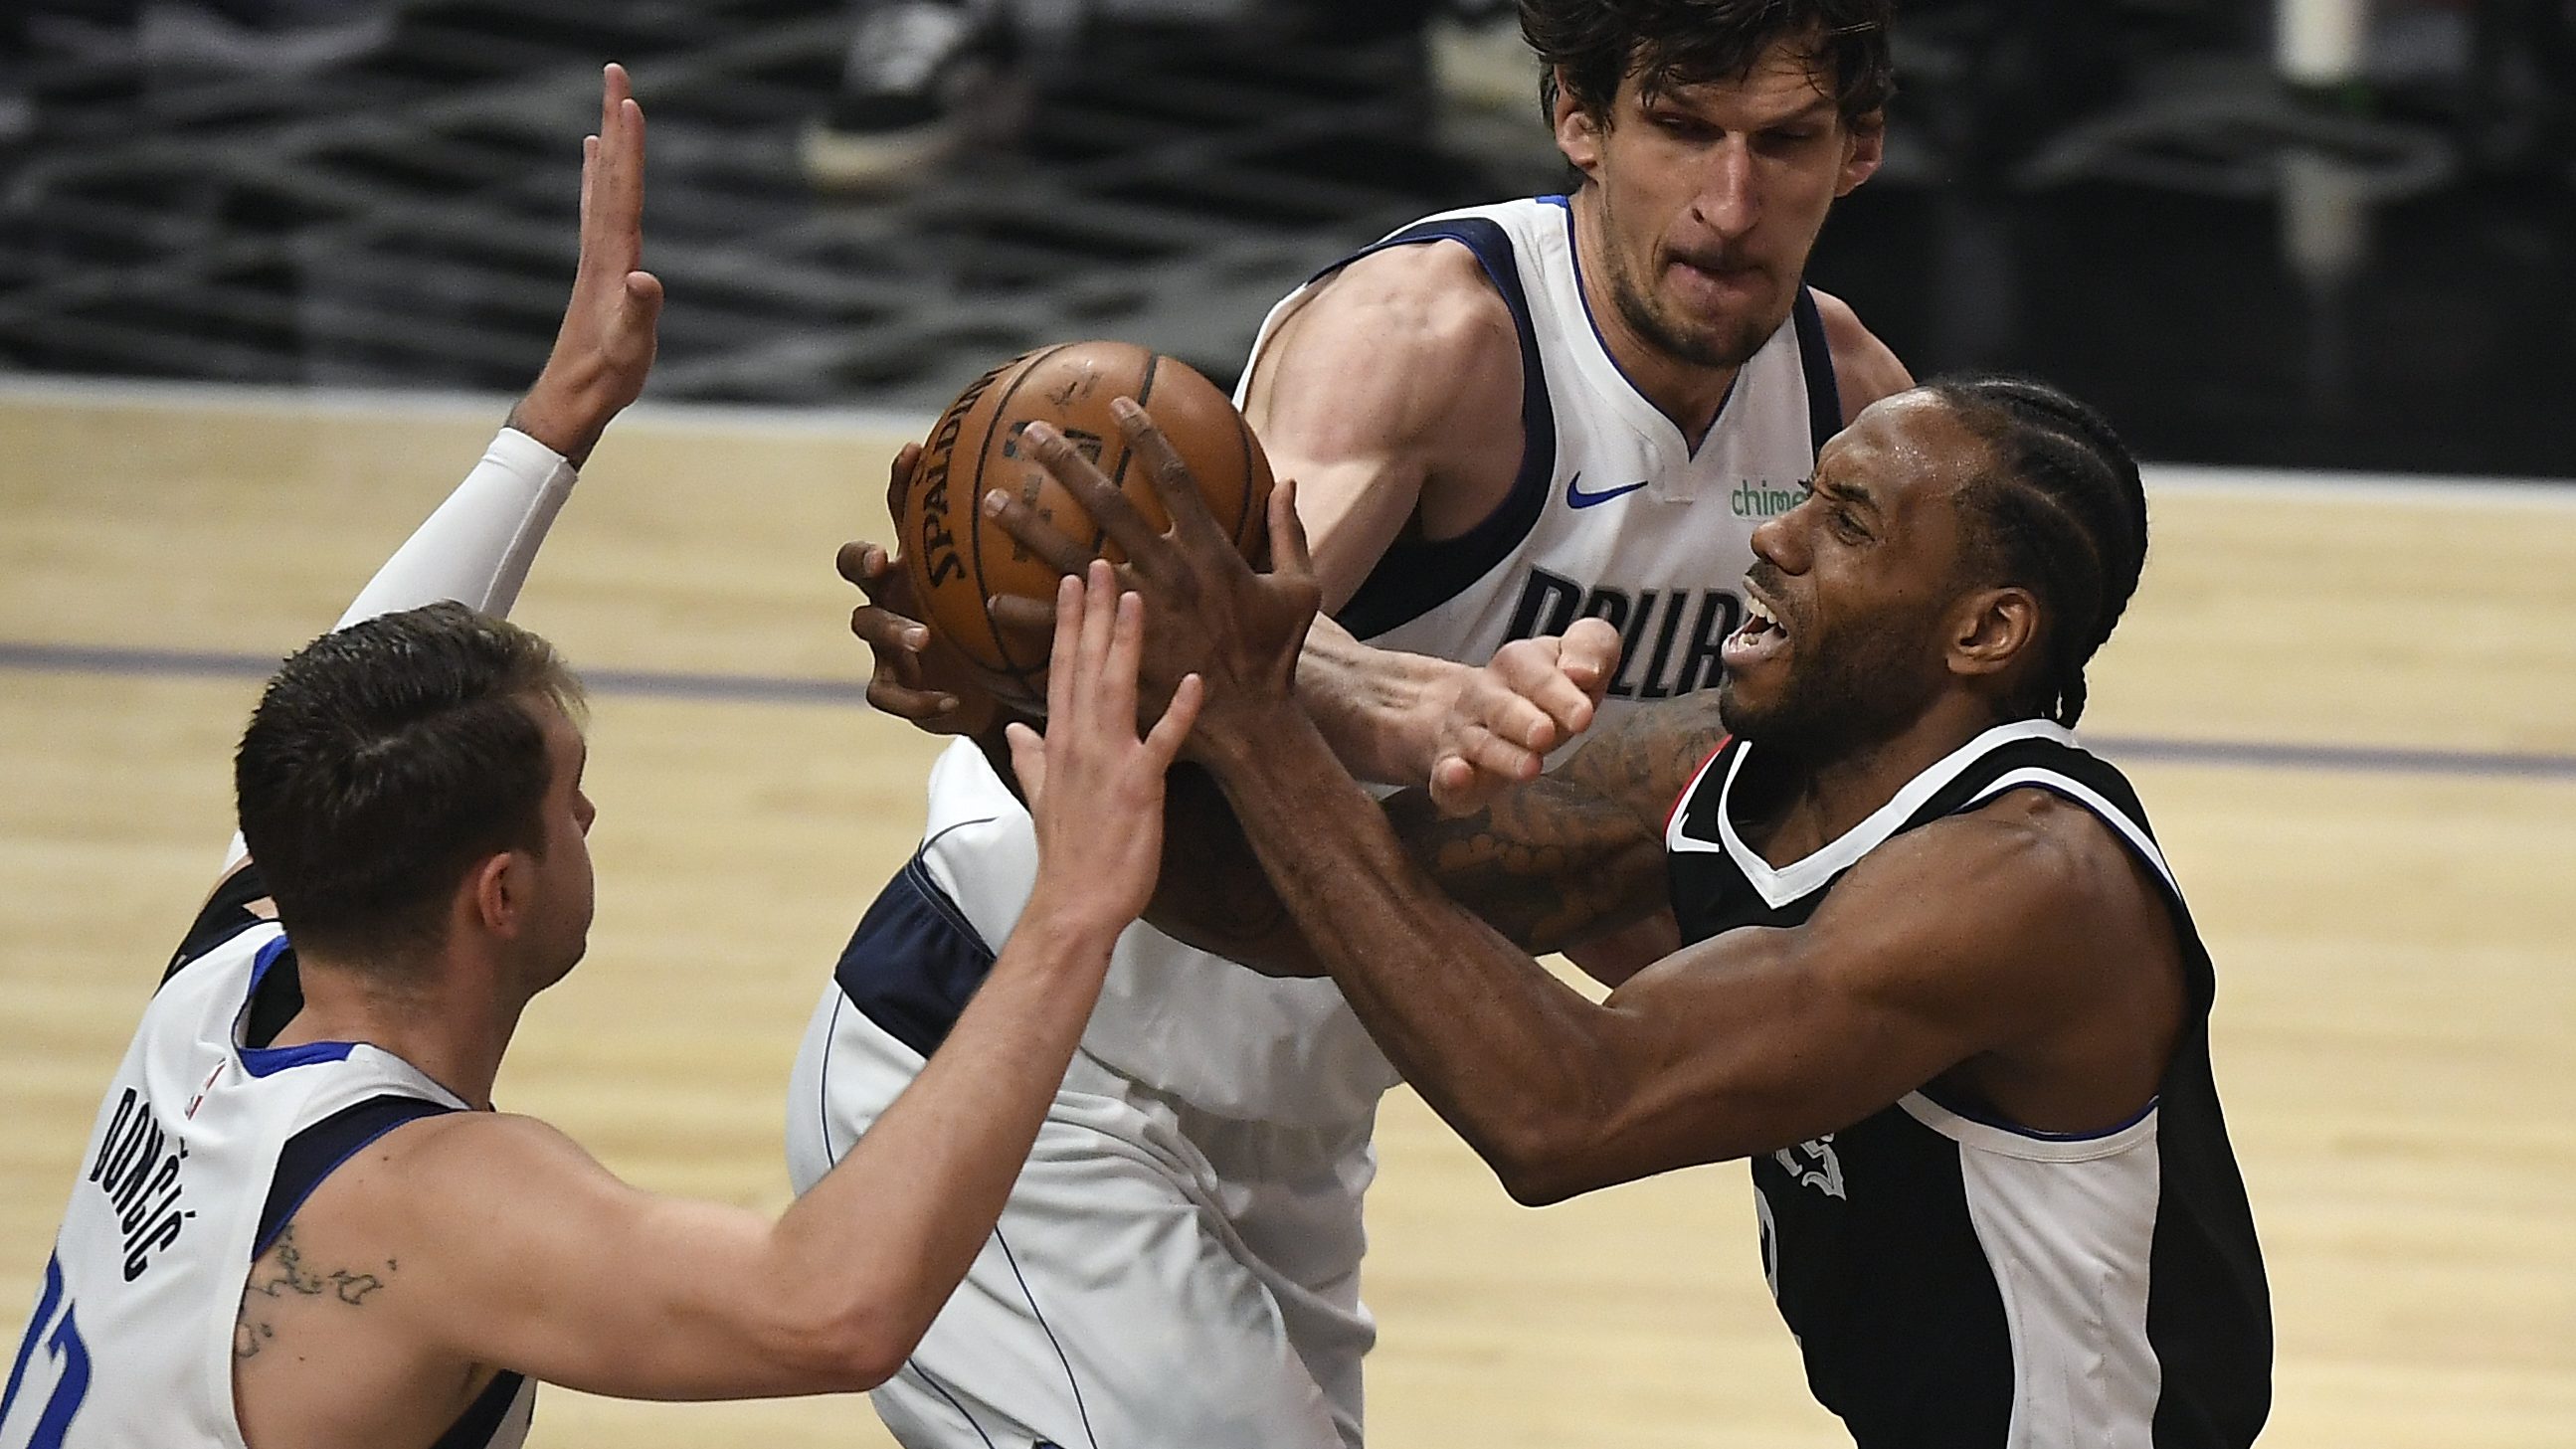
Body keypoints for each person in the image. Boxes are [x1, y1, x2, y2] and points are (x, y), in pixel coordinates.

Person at [0, 65, 1202, 1449]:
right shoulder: (428, 1207)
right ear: (499, 893)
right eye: (569, 798)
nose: (594, 805)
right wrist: (1074, 909)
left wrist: (560, 414)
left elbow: (347, 685)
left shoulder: (220, 996)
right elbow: (830, 1309)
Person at [804, 2, 1912, 1444]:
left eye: (1783, 143)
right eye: (1681, 130)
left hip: (1302, 1119)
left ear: (1859, 152)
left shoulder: (1851, 421)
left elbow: (1618, 877)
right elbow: (1188, 635)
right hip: (1024, 1064)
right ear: (1578, 119)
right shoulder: (1431, 335)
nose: (1728, 200)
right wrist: (1406, 701)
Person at [992, 374, 2274, 1447]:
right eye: (1804, 497)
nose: (1774, 537)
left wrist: (1270, 721)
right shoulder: (1717, 775)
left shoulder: (2027, 886)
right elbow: (1288, 907)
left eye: (1852, 522)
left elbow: (1564, 1115)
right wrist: (1021, 693)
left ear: (1986, 631)